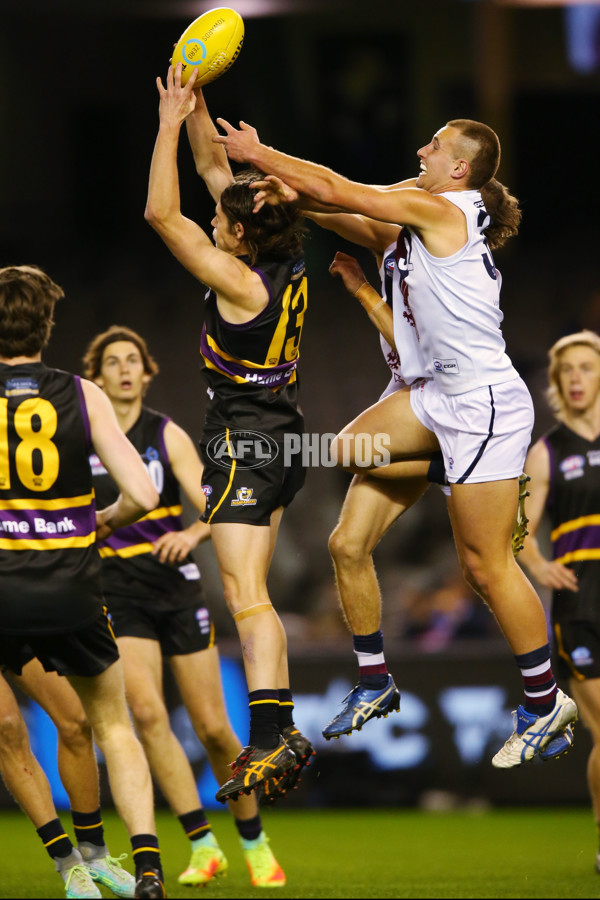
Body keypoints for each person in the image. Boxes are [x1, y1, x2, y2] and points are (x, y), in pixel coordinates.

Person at [212, 115, 579, 766]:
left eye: (434, 146)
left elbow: (348, 191)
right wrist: (287, 191)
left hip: (478, 403)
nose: (421, 150)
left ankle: (544, 702)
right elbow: (337, 206)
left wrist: (259, 152)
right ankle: (376, 680)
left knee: (485, 567)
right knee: (346, 528)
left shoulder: (447, 211)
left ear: (460, 170)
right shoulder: (414, 226)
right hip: (434, 401)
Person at [144, 66, 314, 805]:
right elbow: (217, 169)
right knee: (255, 593)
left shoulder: (242, 281)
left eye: (222, 224)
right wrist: (196, 95)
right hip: (281, 433)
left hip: (246, 439)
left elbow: (160, 214)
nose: (215, 223)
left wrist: (164, 126)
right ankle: (274, 730)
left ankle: (276, 732)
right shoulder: (281, 254)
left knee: (245, 597)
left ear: (239, 237)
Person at [82, 324, 286, 888]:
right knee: (146, 715)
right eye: (112, 363)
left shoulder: (163, 434)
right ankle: (202, 844)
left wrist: (191, 535)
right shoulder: (87, 438)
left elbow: (211, 502)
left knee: (215, 729)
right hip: (116, 590)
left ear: (147, 373)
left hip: (175, 586)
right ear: (95, 379)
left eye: (133, 361)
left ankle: (254, 839)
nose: (124, 370)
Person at [0, 264, 165, 899]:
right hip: (69, 589)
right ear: (48, 323)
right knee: (108, 724)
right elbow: (145, 492)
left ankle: (80, 861)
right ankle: (115, 863)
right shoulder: (81, 394)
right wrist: (103, 519)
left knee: (29, 730)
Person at [519, 330, 600, 869]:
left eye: (586, 368)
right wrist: (539, 565)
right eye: (566, 369)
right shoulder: (547, 452)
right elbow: (516, 530)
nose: (575, 377)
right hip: (581, 607)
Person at [1, 658, 136, 898]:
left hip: (15, 623)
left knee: (76, 721)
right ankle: (66, 859)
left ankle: (95, 853)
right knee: (7, 728)